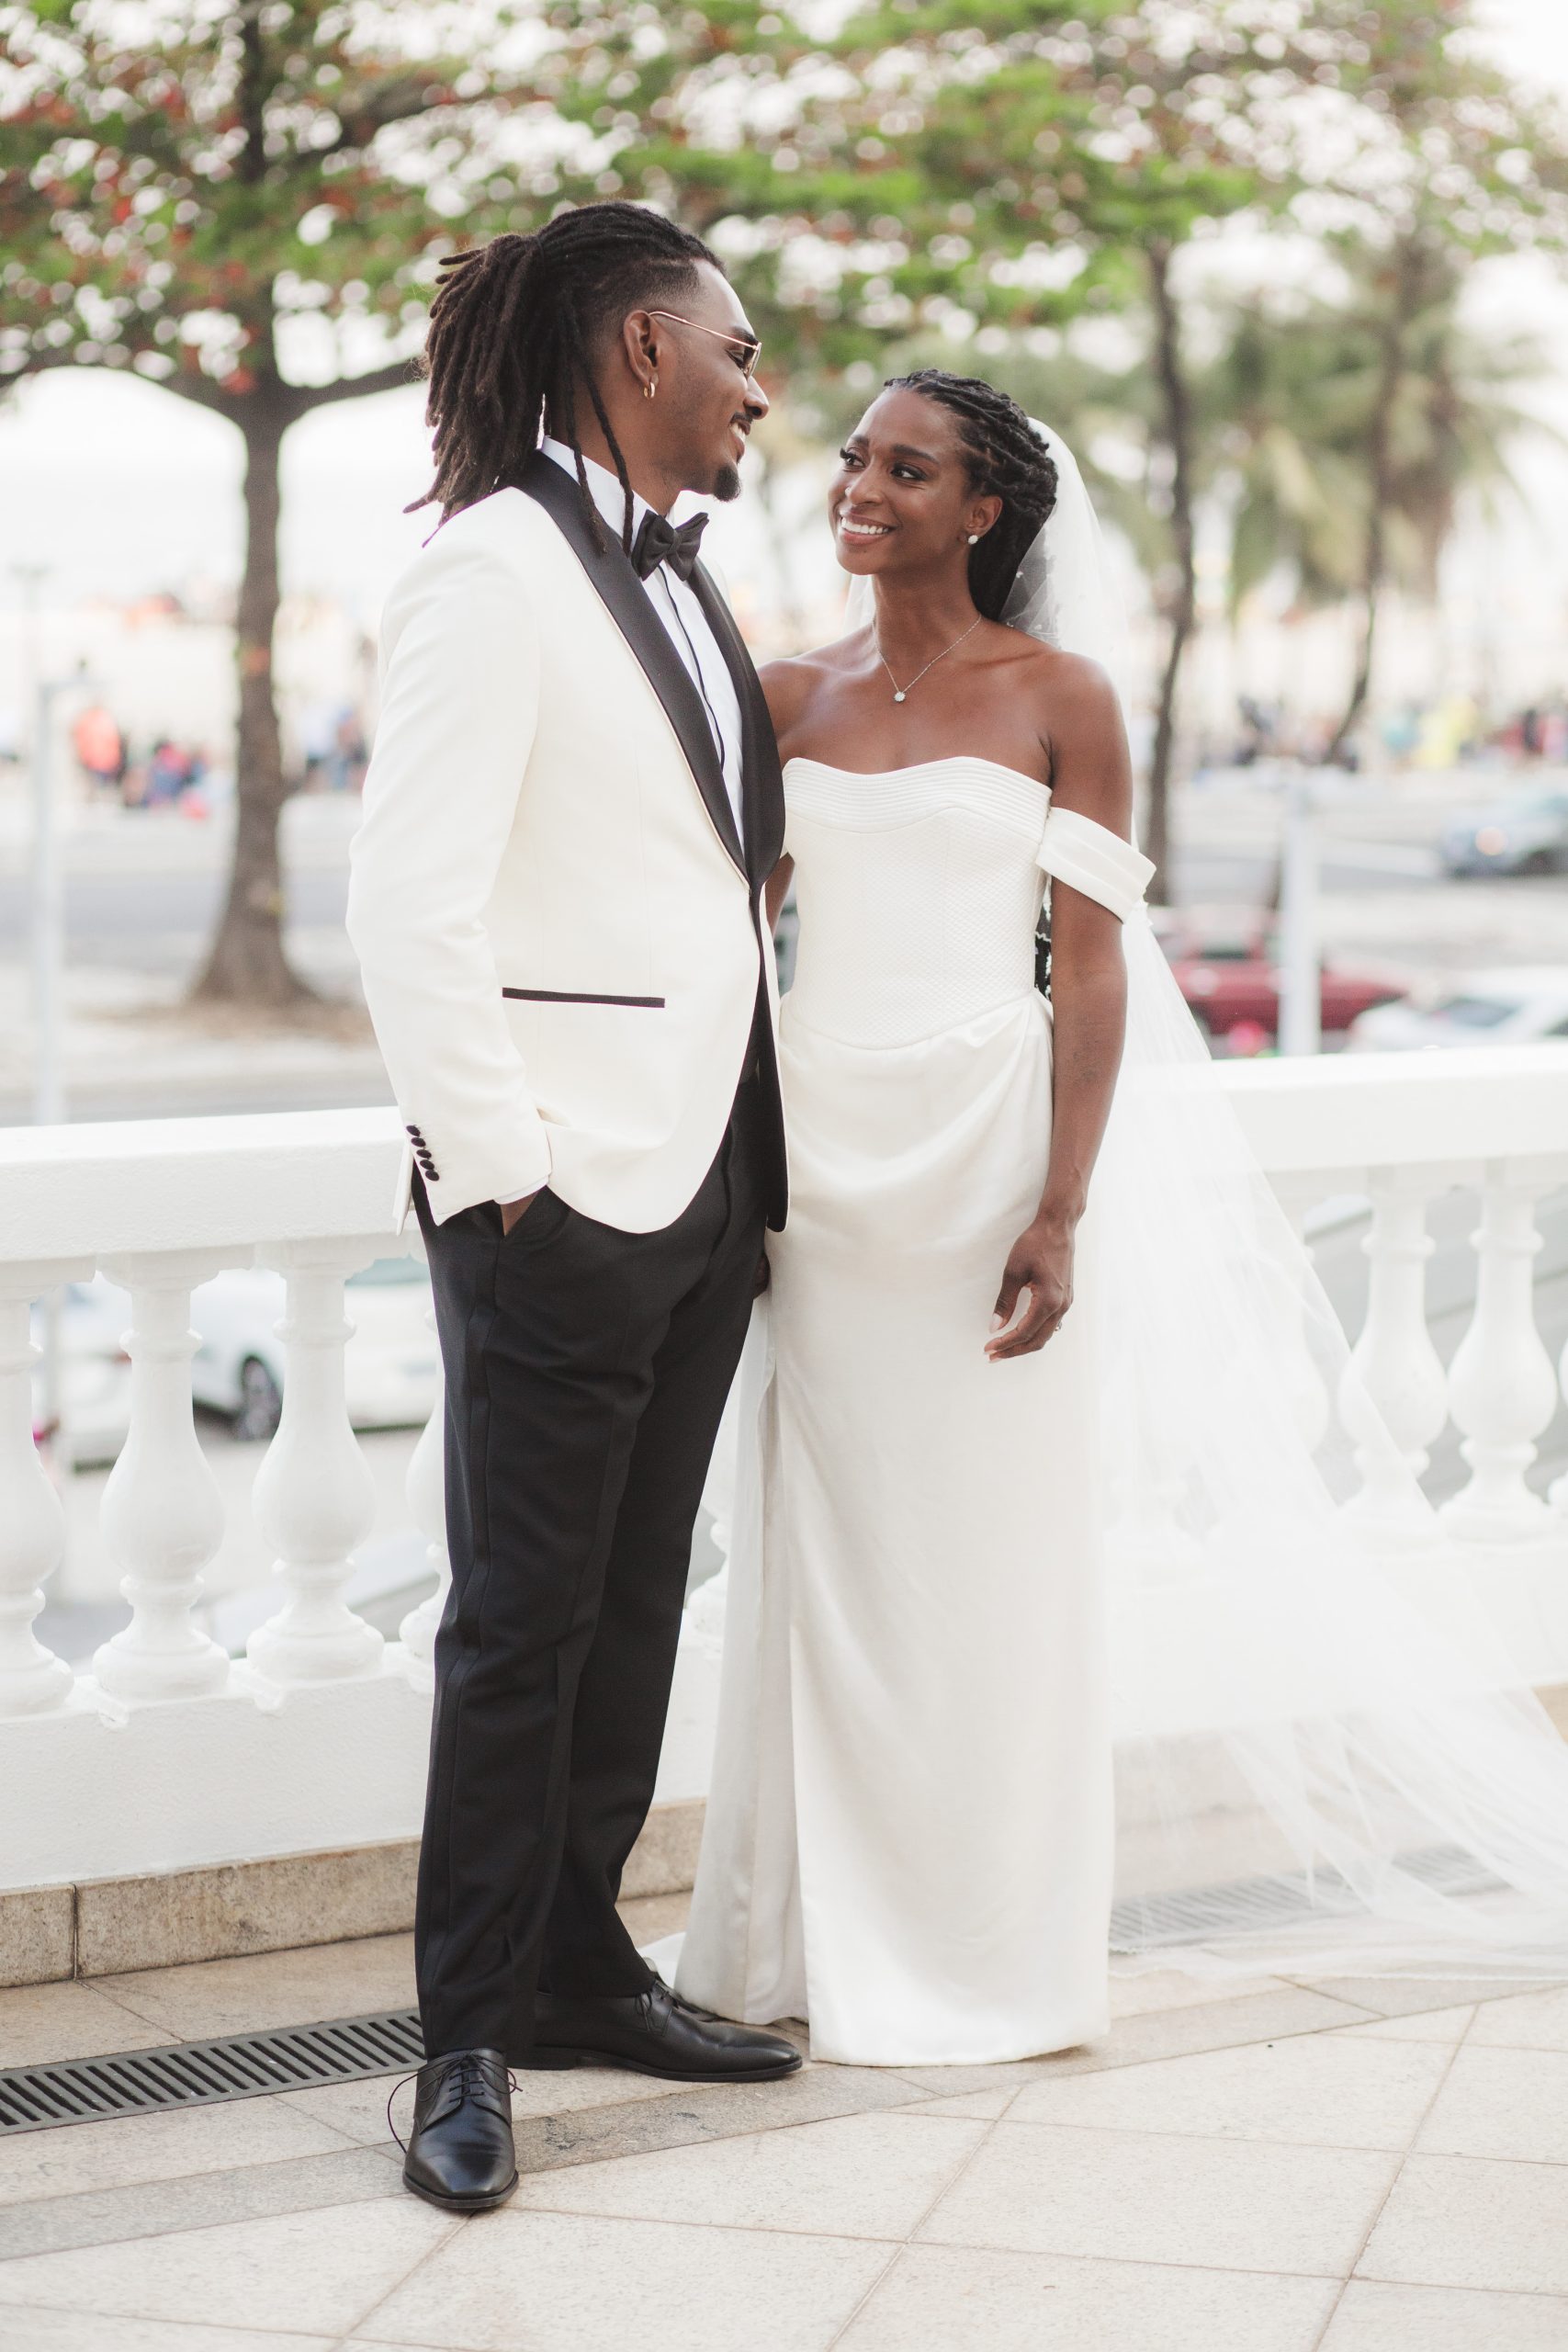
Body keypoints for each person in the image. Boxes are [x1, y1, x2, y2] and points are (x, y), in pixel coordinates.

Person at [668, 369, 1568, 2067]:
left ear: (985, 511)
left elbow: (1094, 975)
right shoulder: (782, 690)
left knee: (991, 1565)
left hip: (984, 1159)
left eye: (905, 467)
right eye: (856, 458)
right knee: (824, 1550)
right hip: (823, 1171)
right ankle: (798, 1932)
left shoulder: (1065, 695)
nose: (860, 485)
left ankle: (983, 1952)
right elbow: (723, 931)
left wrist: (1063, 1205)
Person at [345, 201, 802, 2215]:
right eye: (735, 348)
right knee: (516, 1625)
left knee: (628, 1605)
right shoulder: (484, 574)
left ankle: (577, 1958)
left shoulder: (689, 584)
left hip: (704, 1175)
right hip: (558, 1194)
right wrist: (506, 1179)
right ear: (637, 351)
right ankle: (458, 2034)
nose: (758, 386)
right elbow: (406, 904)